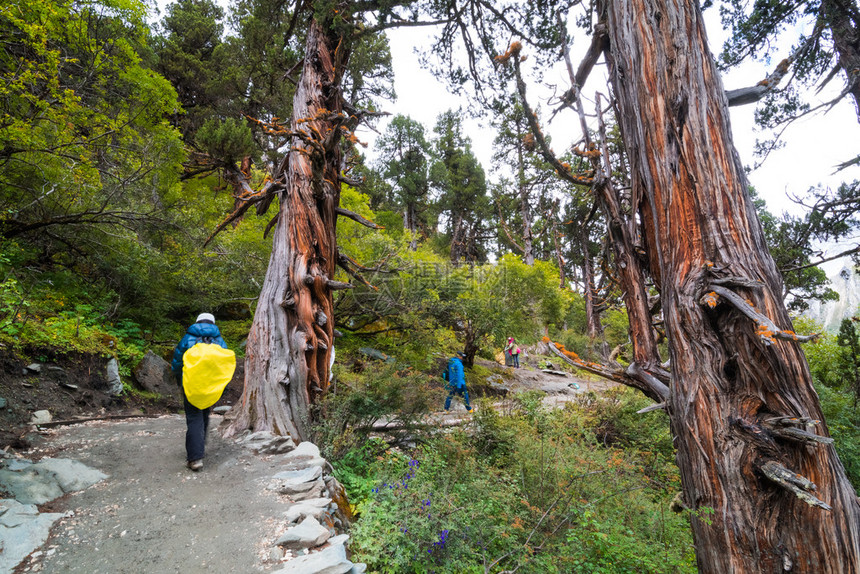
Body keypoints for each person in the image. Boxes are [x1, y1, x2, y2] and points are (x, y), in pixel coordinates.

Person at [171, 312, 228, 471]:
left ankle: (195, 458)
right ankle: (199, 447)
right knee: (204, 413)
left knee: (194, 416)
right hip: (209, 386)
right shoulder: (219, 341)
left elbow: (177, 363)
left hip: (192, 385)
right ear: (213, 323)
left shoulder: (188, 338)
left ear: (197, 322)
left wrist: (179, 381)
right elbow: (224, 365)